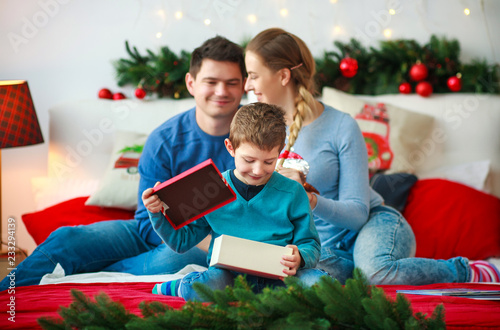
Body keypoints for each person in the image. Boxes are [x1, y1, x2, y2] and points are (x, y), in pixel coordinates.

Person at [243, 27, 500, 285]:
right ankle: (354, 271)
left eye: (253, 76)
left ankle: (470, 271)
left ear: (284, 75)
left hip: (372, 225)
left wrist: (309, 199)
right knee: (304, 279)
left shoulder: (341, 126)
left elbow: (357, 214)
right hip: (323, 249)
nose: (247, 85)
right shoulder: (259, 130)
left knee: (374, 271)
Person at [0, 35, 247, 291]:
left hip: (206, 243)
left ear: (244, 85)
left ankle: (108, 273)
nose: (221, 91)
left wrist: (206, 241)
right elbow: (144, 221)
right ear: (191, 83)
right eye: (211, 82)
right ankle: (6, 295)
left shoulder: (256, 137)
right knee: (67, 238)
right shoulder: (164, 139)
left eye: (231, 83)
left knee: (187, 256)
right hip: (151, 231)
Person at [143, 102, 325, 301]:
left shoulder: (292, 192)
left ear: (280, 151)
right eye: (249, 160)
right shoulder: (211, 189)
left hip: (280, 278)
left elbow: (310, 244)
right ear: (231, 147)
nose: (258, 170)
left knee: (322, 286)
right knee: (203, 288)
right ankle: (182, 285)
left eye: (268, 162)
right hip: (227, 276)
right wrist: (157, 213)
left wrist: (300, 257)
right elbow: (181, 242)